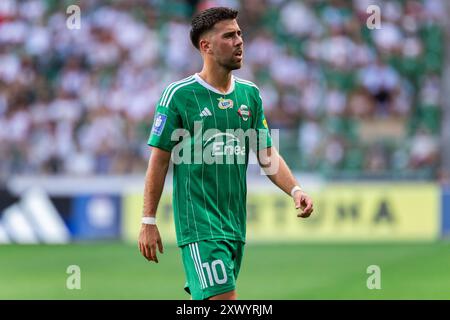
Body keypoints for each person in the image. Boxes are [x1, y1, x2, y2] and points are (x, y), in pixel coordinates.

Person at [138, 7, 314, 300]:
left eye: (240, 34)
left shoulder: (250, 94)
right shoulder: (179, 95)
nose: (239, 41)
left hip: (234, 226)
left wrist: (295, 190)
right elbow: (159, 160)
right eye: (229, 36)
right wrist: (148, 221)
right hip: (200, 226)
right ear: (206, 46)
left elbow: (266, 153)